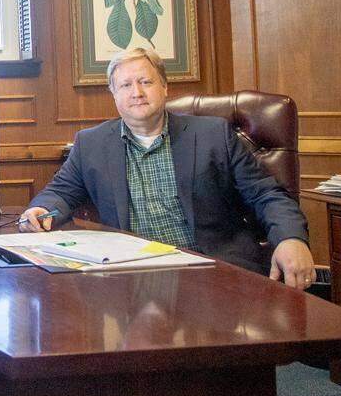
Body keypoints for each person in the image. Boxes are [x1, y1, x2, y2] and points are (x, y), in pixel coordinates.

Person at [20, 47, 314, 288]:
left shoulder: (213, 134)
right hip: (133, 274)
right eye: (125, 85)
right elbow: (59, 193)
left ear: (164, 86)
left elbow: (266, 194)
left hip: (213, 270)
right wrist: (41, 210)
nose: (137, 92)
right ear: (114, 94)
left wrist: (291, 238)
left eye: (146, 82)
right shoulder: (91, 144)